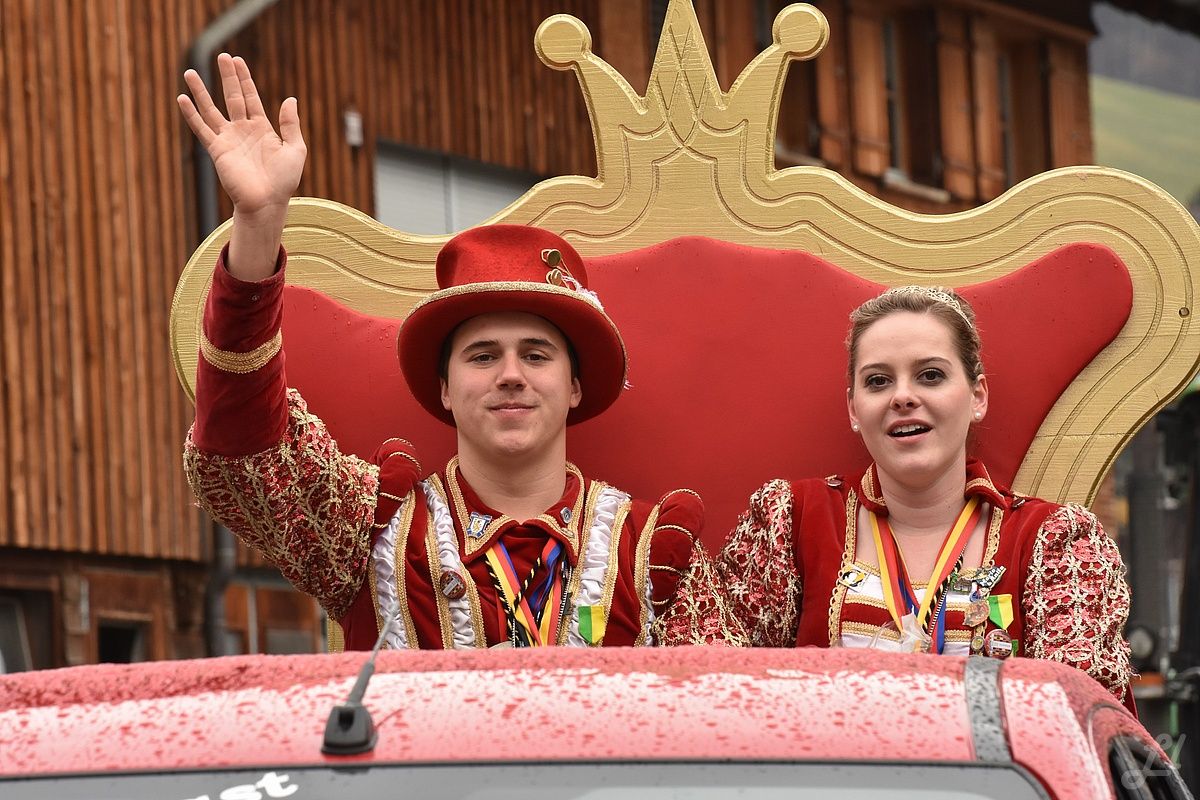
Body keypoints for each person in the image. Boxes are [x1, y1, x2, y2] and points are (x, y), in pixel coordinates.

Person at [178, 54, 701, 649]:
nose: (511, 375)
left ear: (575, 386)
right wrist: (259, 224)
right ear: (445, 388)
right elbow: (242, 450)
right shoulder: (370, 534)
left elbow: (722, 699)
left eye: (536, 355)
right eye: (482, 356)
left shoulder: (653, 556)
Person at [660, 285, 1135, 711]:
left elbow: (1075, 716)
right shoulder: (790, 522)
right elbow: (727, 694)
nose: (902, 397)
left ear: (977, 396)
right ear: (854, 408)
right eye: (878, 381)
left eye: (930, 375)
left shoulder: (1053, 541)